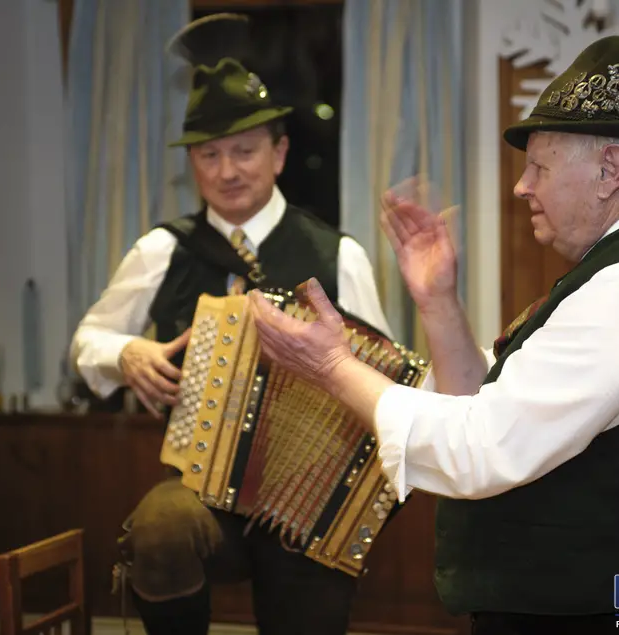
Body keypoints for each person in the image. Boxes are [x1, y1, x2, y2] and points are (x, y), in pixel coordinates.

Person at [249, 15, 619, 635]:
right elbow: (492, 407)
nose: (521, 187)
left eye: (540, 167)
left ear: (609, 171)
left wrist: (331, 366)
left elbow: (482, 450)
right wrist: (438, 302)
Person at [69, 13, 392, 635]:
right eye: (208, 155)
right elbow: (87, 343)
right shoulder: (161, 251)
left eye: (243, 151)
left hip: (308, 496)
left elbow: (380, 375)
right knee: (158, 530)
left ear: (280, 152)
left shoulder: (337, 254)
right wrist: (127, 354)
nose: (226, 170)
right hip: (202, 490)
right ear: (191, 162)